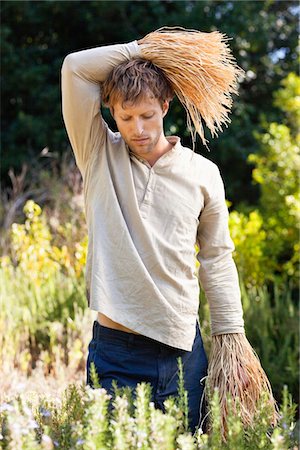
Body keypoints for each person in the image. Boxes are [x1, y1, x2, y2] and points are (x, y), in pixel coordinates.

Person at [61, 28, 277, 436]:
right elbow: (75, 68)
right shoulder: (97, 153)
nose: (137, 128)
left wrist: (230, 333)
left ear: (165, 105)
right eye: (125, 118)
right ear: (112, 114)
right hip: (115, 351)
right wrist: (147, 52)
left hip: (183, 350)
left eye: (146, 115)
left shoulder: (202, 174)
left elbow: (216, 257)